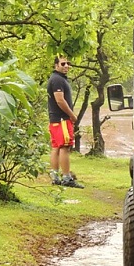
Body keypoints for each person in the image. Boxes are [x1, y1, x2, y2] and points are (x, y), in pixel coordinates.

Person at [47, 55, 84, 188]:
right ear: (56, 65)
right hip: (62, 118)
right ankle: (66, 177)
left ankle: (55, 176)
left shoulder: (57, 79)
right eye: (63, 64)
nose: (66, 66)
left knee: (56, 147)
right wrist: (72, 115)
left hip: (55, 119)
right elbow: (60, 100)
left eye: (68, 63)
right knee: (64, 147)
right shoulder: (57, 79)